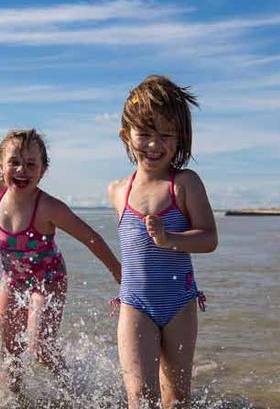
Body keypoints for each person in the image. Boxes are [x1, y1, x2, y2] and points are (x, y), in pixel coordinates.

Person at [0, 129, 122, 393]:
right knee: (11, 353)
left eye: (30, 164)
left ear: (43, 170)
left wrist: (119, 272)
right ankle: (14, 399)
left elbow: (90, 237)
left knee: (39, 347)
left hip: (48, 282)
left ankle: (71, 389)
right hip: (13, 282)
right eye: (14, 162)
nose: (21, 170)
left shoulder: (49, 207)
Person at [108, 75, 217, 408]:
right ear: (127, 135)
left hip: (179, 304)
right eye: (145, 133)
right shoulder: (118, 191)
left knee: (177, 397)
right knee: (140, 396)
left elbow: (209, 238)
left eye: (166, 134)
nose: (155, 144)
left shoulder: (184, 184)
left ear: (180, 138)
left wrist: (170, 238)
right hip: (134, 304)